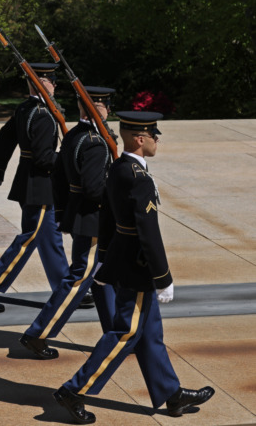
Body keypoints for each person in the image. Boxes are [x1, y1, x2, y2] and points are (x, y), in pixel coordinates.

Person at [53, 111, 214, 424]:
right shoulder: (137, 178)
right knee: (125, 333)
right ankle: (74, 390)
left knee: (150, 332)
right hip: (138, 268)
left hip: (122, 262)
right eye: (154, 134)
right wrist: (162, 277)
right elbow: (148, 232)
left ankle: (171, 393)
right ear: (141, 139)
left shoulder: (119, 168)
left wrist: (104, 259)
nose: (157, 139)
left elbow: (109, 218)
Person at [19, 87, 118, 359]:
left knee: (102, 277)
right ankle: (37, 334)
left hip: (79, 217)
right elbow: (95, 189)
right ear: (101, 109)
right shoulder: (96, 143)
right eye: (104, 106)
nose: (106, 110)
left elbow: (59, 180)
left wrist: (63, 214)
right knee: (78, 279)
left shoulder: (75, 135)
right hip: (94, 220)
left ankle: (115, 331)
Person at [0, 63, 70, 313]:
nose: (55, 85)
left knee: (50, 239)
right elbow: (44, 158)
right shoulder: (43, 114)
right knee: (31, 239)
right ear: (39, 83)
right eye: (50, 80)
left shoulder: (27, 108)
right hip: (40, 185)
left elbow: (5, 137)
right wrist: (70, 161)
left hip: (30, 184)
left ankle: (65, 289)